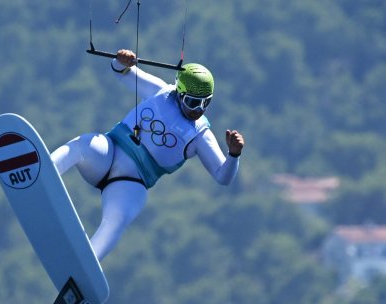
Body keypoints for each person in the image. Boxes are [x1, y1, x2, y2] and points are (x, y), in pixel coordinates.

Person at [50, 49, 245, 261]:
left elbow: (223, 177)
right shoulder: (161, 92)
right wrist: (121, 60)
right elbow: (120, 72)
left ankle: (87, 264)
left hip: (130, 183)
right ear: (180, 93)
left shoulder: (200, 135)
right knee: (84, 144)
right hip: (108, 154)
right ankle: (46, 169)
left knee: (117, 220)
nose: (198, 110)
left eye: (205, 103)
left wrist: (234, 154)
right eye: (192, 102)